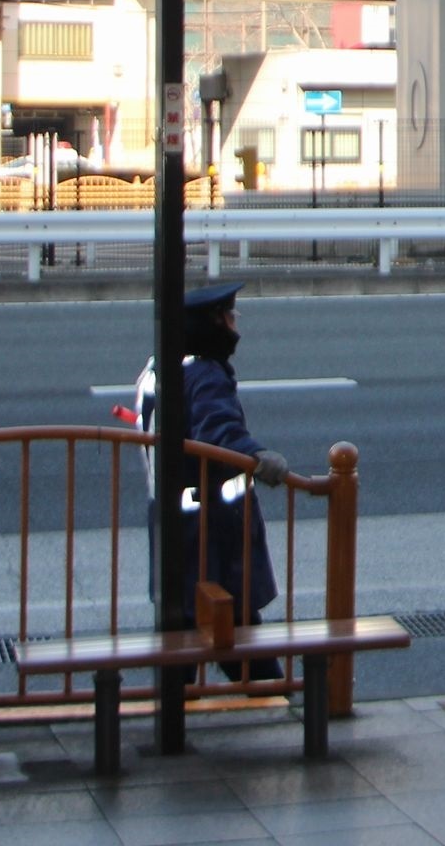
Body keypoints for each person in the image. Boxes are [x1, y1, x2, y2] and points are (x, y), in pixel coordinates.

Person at [145, 284, 288, 678]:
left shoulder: (161, 366)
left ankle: (180, 705)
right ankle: (278, 702)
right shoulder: (205, 375)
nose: (235, 326)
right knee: (236, 634)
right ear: (211, 324)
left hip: (172, 527)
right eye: (229, 317)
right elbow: (219, 430)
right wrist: (256, 457)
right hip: (214, 534)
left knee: (182, 638)